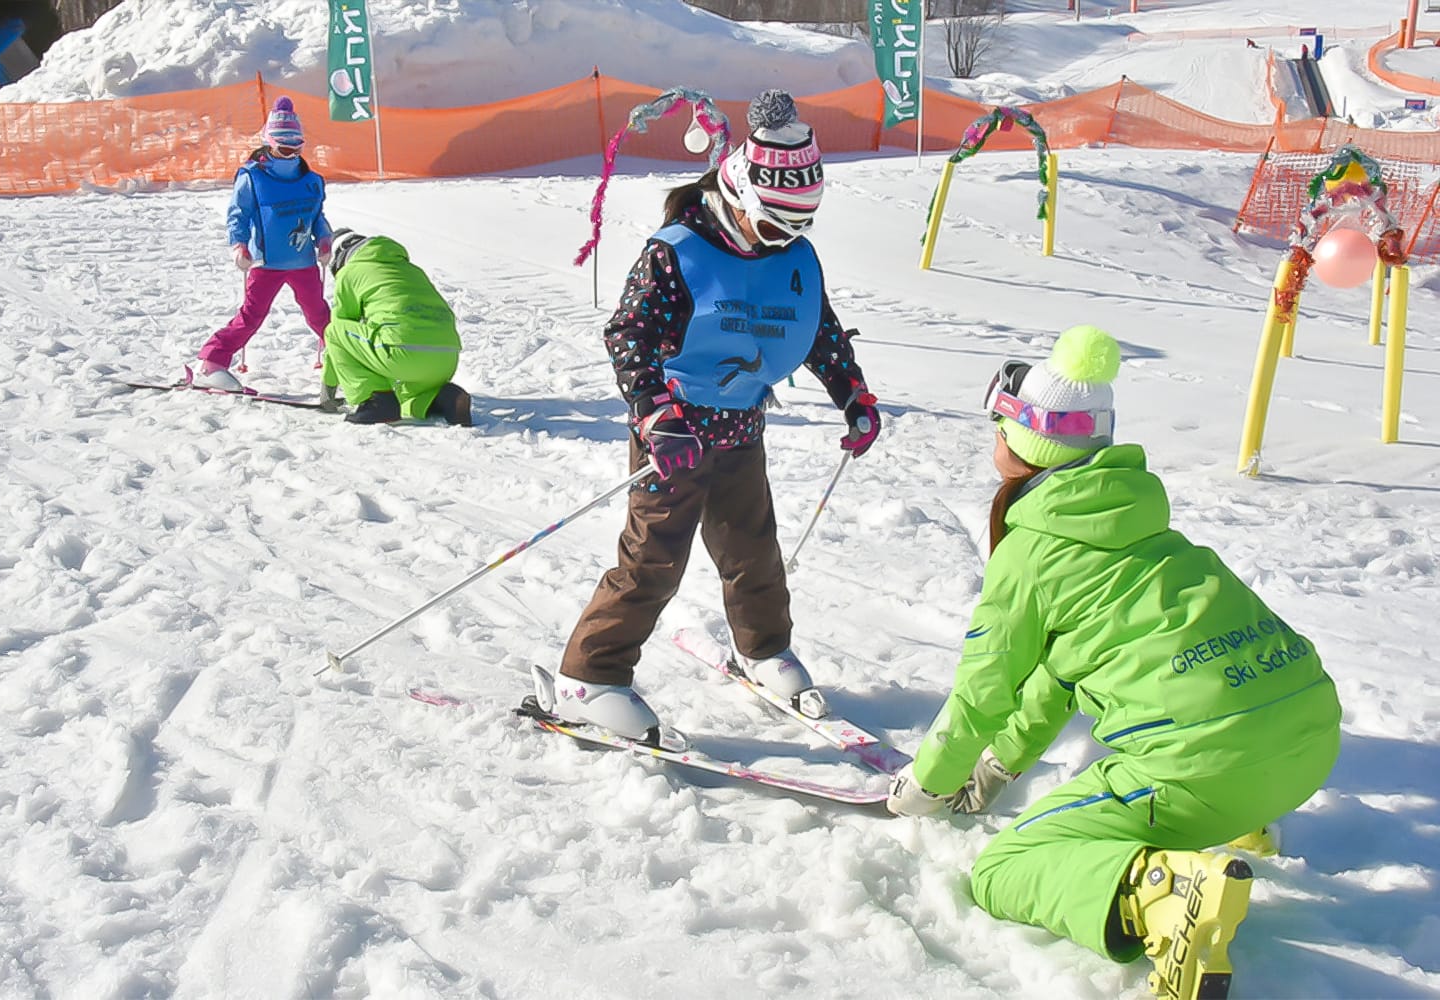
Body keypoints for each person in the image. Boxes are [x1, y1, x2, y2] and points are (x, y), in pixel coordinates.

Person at [885, 325, 1341, 1000]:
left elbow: (986, 688)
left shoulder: (1033, 552)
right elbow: (1060, 675)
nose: (993, 443)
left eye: (998, 428)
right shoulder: (1146, 531)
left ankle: (1164, 896)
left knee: (1004, 869)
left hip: (1206, 773)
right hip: (1308, 744)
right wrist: (995, 767)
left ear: (1024, 442)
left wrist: (928, 783)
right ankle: (1240, 821)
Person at [534, 89, 882, 742]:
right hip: (676, 436)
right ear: (739, 197)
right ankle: (591, 676)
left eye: (798, 227)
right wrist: (654, 414)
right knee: (654, 559)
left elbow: (817, 330)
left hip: (742, 427)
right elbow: (628, 334)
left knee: (754, 550)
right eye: (775, 225)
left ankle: (764, 647)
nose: (785, 240)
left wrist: (853, 395)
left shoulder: (793, 260)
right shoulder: (677, 253)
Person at [193, 97, 333, 390]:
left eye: (297, 147)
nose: (291, 154)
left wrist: (323, 238)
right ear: (270, 144)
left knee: (319, 313)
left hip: (303, 261)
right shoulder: (253, 177)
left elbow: (316, 215)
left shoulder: (311, 180)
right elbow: (238, 215)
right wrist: (239, 245)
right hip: (266, 263)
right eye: (284, 148)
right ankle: (212, 361)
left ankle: (343, 355)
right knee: (251, 316)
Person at [321, 229, 470, 425]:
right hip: (446, 358)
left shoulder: (350, 273)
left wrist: (328, 390)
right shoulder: (410, 269)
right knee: (407, 395)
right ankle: (444, 398)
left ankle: (375, 403)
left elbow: (340, 332)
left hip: (403, 351)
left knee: (333, 331)